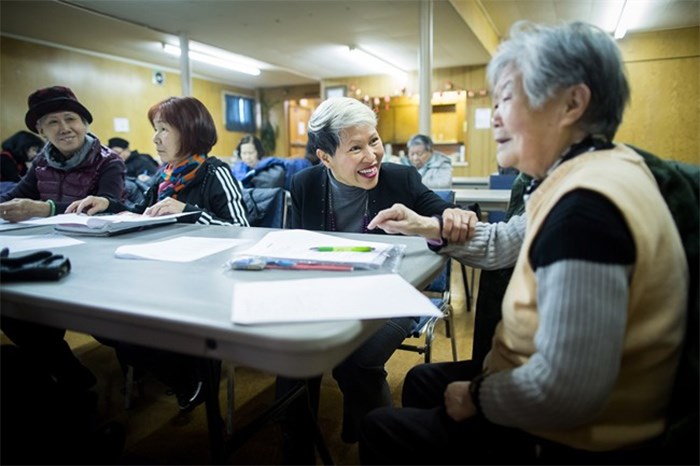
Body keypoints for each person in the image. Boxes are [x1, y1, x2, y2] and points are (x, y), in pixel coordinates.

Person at [361, 21, 688, 465]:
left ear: (572, 102)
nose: (495, 115)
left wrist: (477, 394)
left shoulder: (584, 210)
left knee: (380, 427)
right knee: (421, 381)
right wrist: (425, 225)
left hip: (572, 437)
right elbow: (503, 243)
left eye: (508, 98)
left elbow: (569, 391)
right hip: (548, 389)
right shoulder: (585, 170)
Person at [277, 96, 474, 463]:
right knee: (294, 356)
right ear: (325, 158)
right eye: (355, 148)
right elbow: (297, 246)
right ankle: (298, 449)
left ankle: (377, 443)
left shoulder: (400, 178)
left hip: (392, 296)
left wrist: (455, 217)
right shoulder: (304, 184)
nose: (372, 155)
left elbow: (445, 214)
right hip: (327, 297)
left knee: (357, 362)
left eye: (374, 141)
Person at [67, 96, 249, 411]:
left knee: (131, 340)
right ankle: (176, 369)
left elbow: (243, 230)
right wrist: (110, 205)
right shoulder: (164, 176)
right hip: (163, 276)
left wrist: (188, 211)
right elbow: (143, 215)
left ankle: (191, 379)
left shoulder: (214, 172)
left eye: (163, 129)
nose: (155, 138)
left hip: (203, 285)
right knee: (103, 321)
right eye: (155, 129)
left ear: (190, 132)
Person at [0, 85, 125, 395]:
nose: (65, 128)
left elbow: (115, 205)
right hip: (49, 253)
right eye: (53, 122)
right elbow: (15, 197)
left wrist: (46, 209)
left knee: (109, 328)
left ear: (84, 123)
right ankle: (68, 371)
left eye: (71, 118)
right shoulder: (41, 163)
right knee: (10, 306)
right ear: (41, 131)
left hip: (99, 259)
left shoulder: (108, 161)